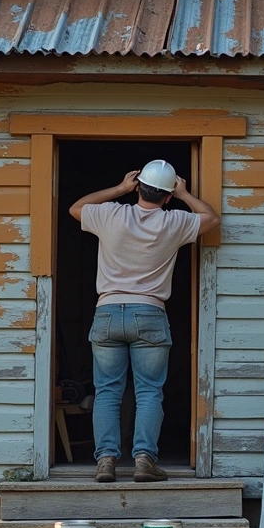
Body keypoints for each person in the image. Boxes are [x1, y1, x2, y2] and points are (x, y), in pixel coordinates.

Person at [70, 160, 220, 483]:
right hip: (150, 313)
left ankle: (106, 462)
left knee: (107, 391)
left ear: (138, 187)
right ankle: (143, 461)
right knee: (149, 392)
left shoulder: (110, 214)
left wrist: (119, 188)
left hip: (107, 312)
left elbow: (76, 208)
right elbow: (212, 218)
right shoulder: (173, 221)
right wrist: (185, 193)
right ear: (167, 197)